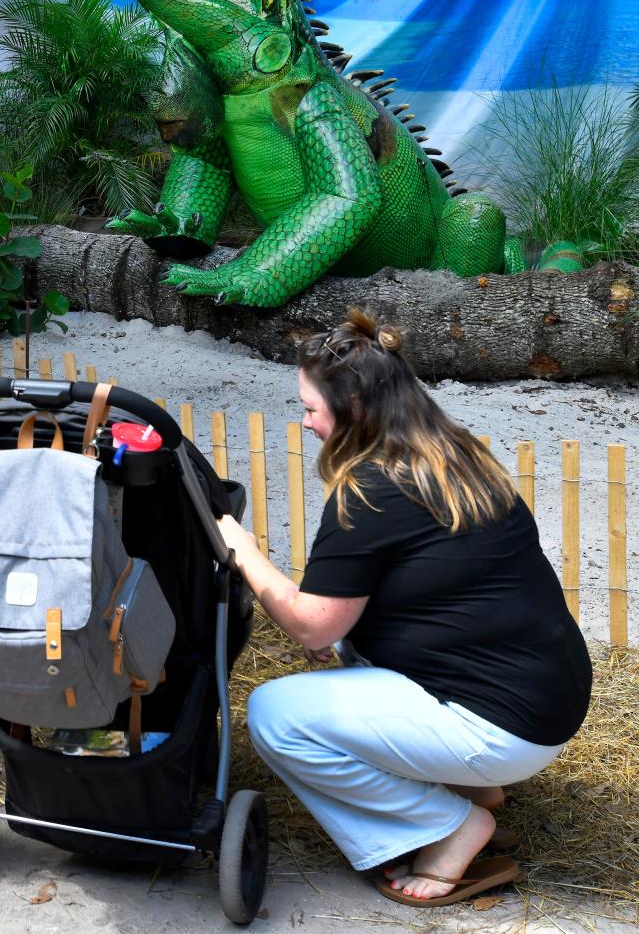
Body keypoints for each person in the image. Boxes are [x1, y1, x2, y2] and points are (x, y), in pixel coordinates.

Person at [216, 309, 592, 909]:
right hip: (546, 694)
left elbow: (312, 621)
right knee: (344, 641)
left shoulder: (369, 489)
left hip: (499, 721)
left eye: (311, 409)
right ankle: (476, 790)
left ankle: (448, 828)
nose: (308, 423)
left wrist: (246, 554)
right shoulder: (456, 453)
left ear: (356, 406)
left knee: (275, 715)